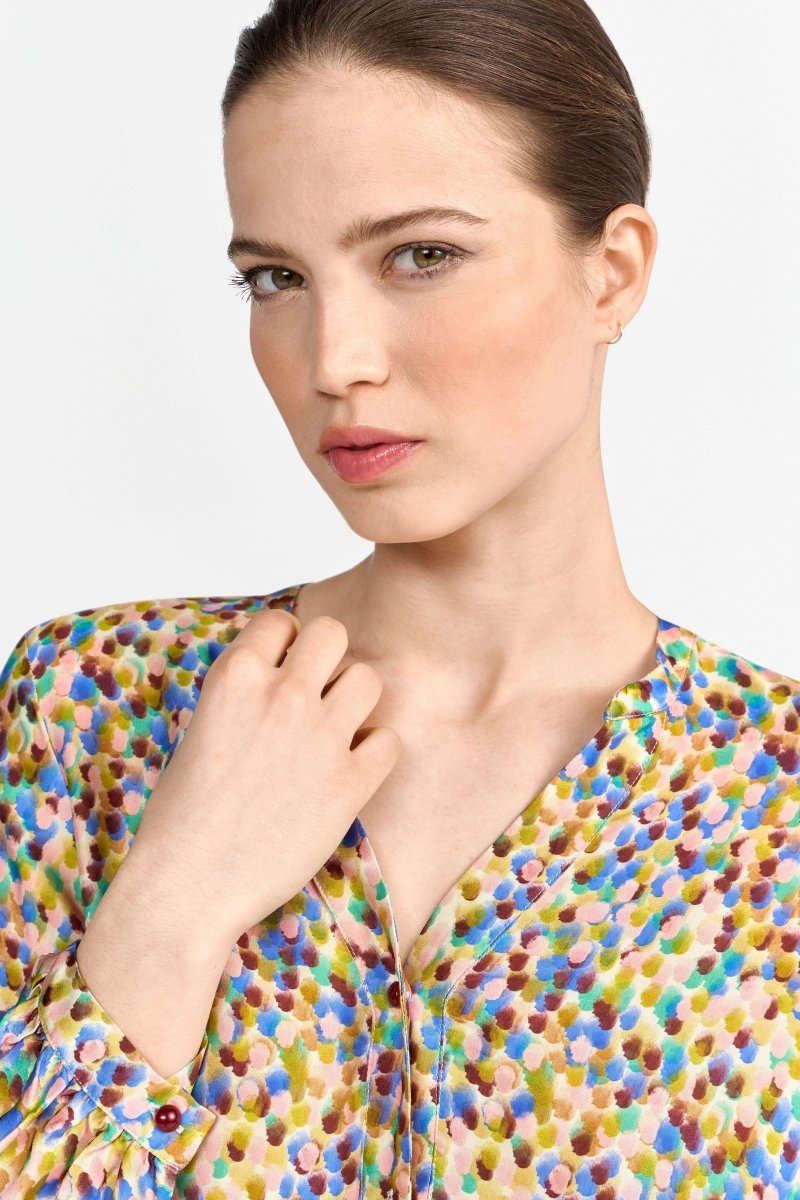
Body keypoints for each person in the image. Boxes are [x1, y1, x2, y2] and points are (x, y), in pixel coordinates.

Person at [2, 1, 799, 1196]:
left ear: (612, 271)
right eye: (276, 278)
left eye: (419, 256)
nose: (335, 360)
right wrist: (172, 906)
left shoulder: (769, 808)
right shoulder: (93, 708)